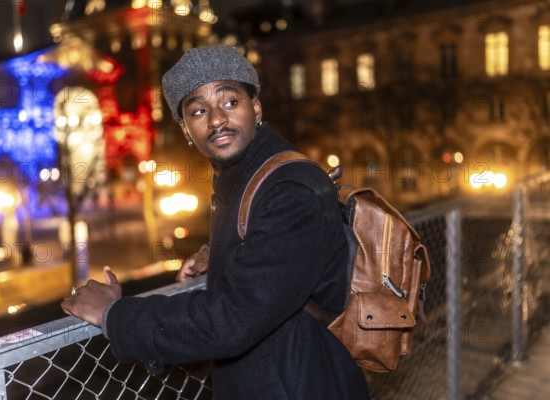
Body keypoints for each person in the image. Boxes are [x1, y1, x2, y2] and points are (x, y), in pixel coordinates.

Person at [62, 45, 370, 399]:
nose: (216, 120)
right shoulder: (245, 176)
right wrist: (221, 253)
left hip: (301, 383)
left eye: (230, 102)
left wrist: (113, 315)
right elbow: (272, 252)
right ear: (185, 130)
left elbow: (233, 321)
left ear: (256, 108)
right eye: (198, 110)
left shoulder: (289, 188)